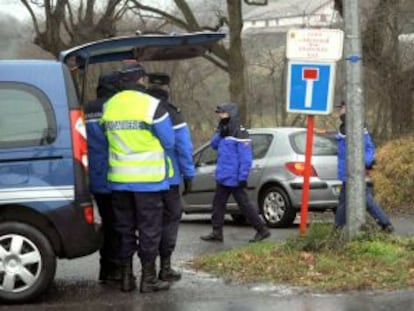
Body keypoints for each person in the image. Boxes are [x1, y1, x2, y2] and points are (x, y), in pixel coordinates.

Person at [101, 63, 175, 293]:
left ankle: (126, 278)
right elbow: (169, 141)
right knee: (149, 229)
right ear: (141, 80)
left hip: (119, 179)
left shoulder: (109, 105)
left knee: (124, 228)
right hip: (148, 180)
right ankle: (148, 279)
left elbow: (106, 137)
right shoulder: (152, 105)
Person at [147, 73, 195, 282]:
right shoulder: (173, 113)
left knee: (147, 223)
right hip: (169, 179)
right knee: (170, 220)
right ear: (167, 89)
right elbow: (184, 148)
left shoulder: (140, 109)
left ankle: (134, 271)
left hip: (142, 179)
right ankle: (165, 267)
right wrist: (189, 175)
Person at [200, 102, 270, 243]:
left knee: (244, 205)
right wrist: (220, 132)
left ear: (230, 113)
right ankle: (217, 232)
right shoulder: (224, 129)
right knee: (218, 205)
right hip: (223, 177)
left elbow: (246, 158)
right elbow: (213, 145)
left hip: (234, 178)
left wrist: (243, 177)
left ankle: (262, 230)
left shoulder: (240, 131)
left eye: (222, 113)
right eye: (219, 113)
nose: (220, 115)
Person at [334, 101, 394, 232]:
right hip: (347, 173)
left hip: (355, 172)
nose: (340, 111)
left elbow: (368, 148)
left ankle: (385, 224)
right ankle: (337, 229)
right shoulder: (343, 127)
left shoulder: (358, 126)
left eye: (342, 108)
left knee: (363, 199)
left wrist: (363, 163)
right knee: (345, 201)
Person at [84, 71, 121, 284]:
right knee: (120, 225)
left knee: (108, 222)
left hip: (95, 176)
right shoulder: (116, 107)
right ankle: (116, 269)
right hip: (117, 174)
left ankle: (105, 269)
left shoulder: (86, 109)